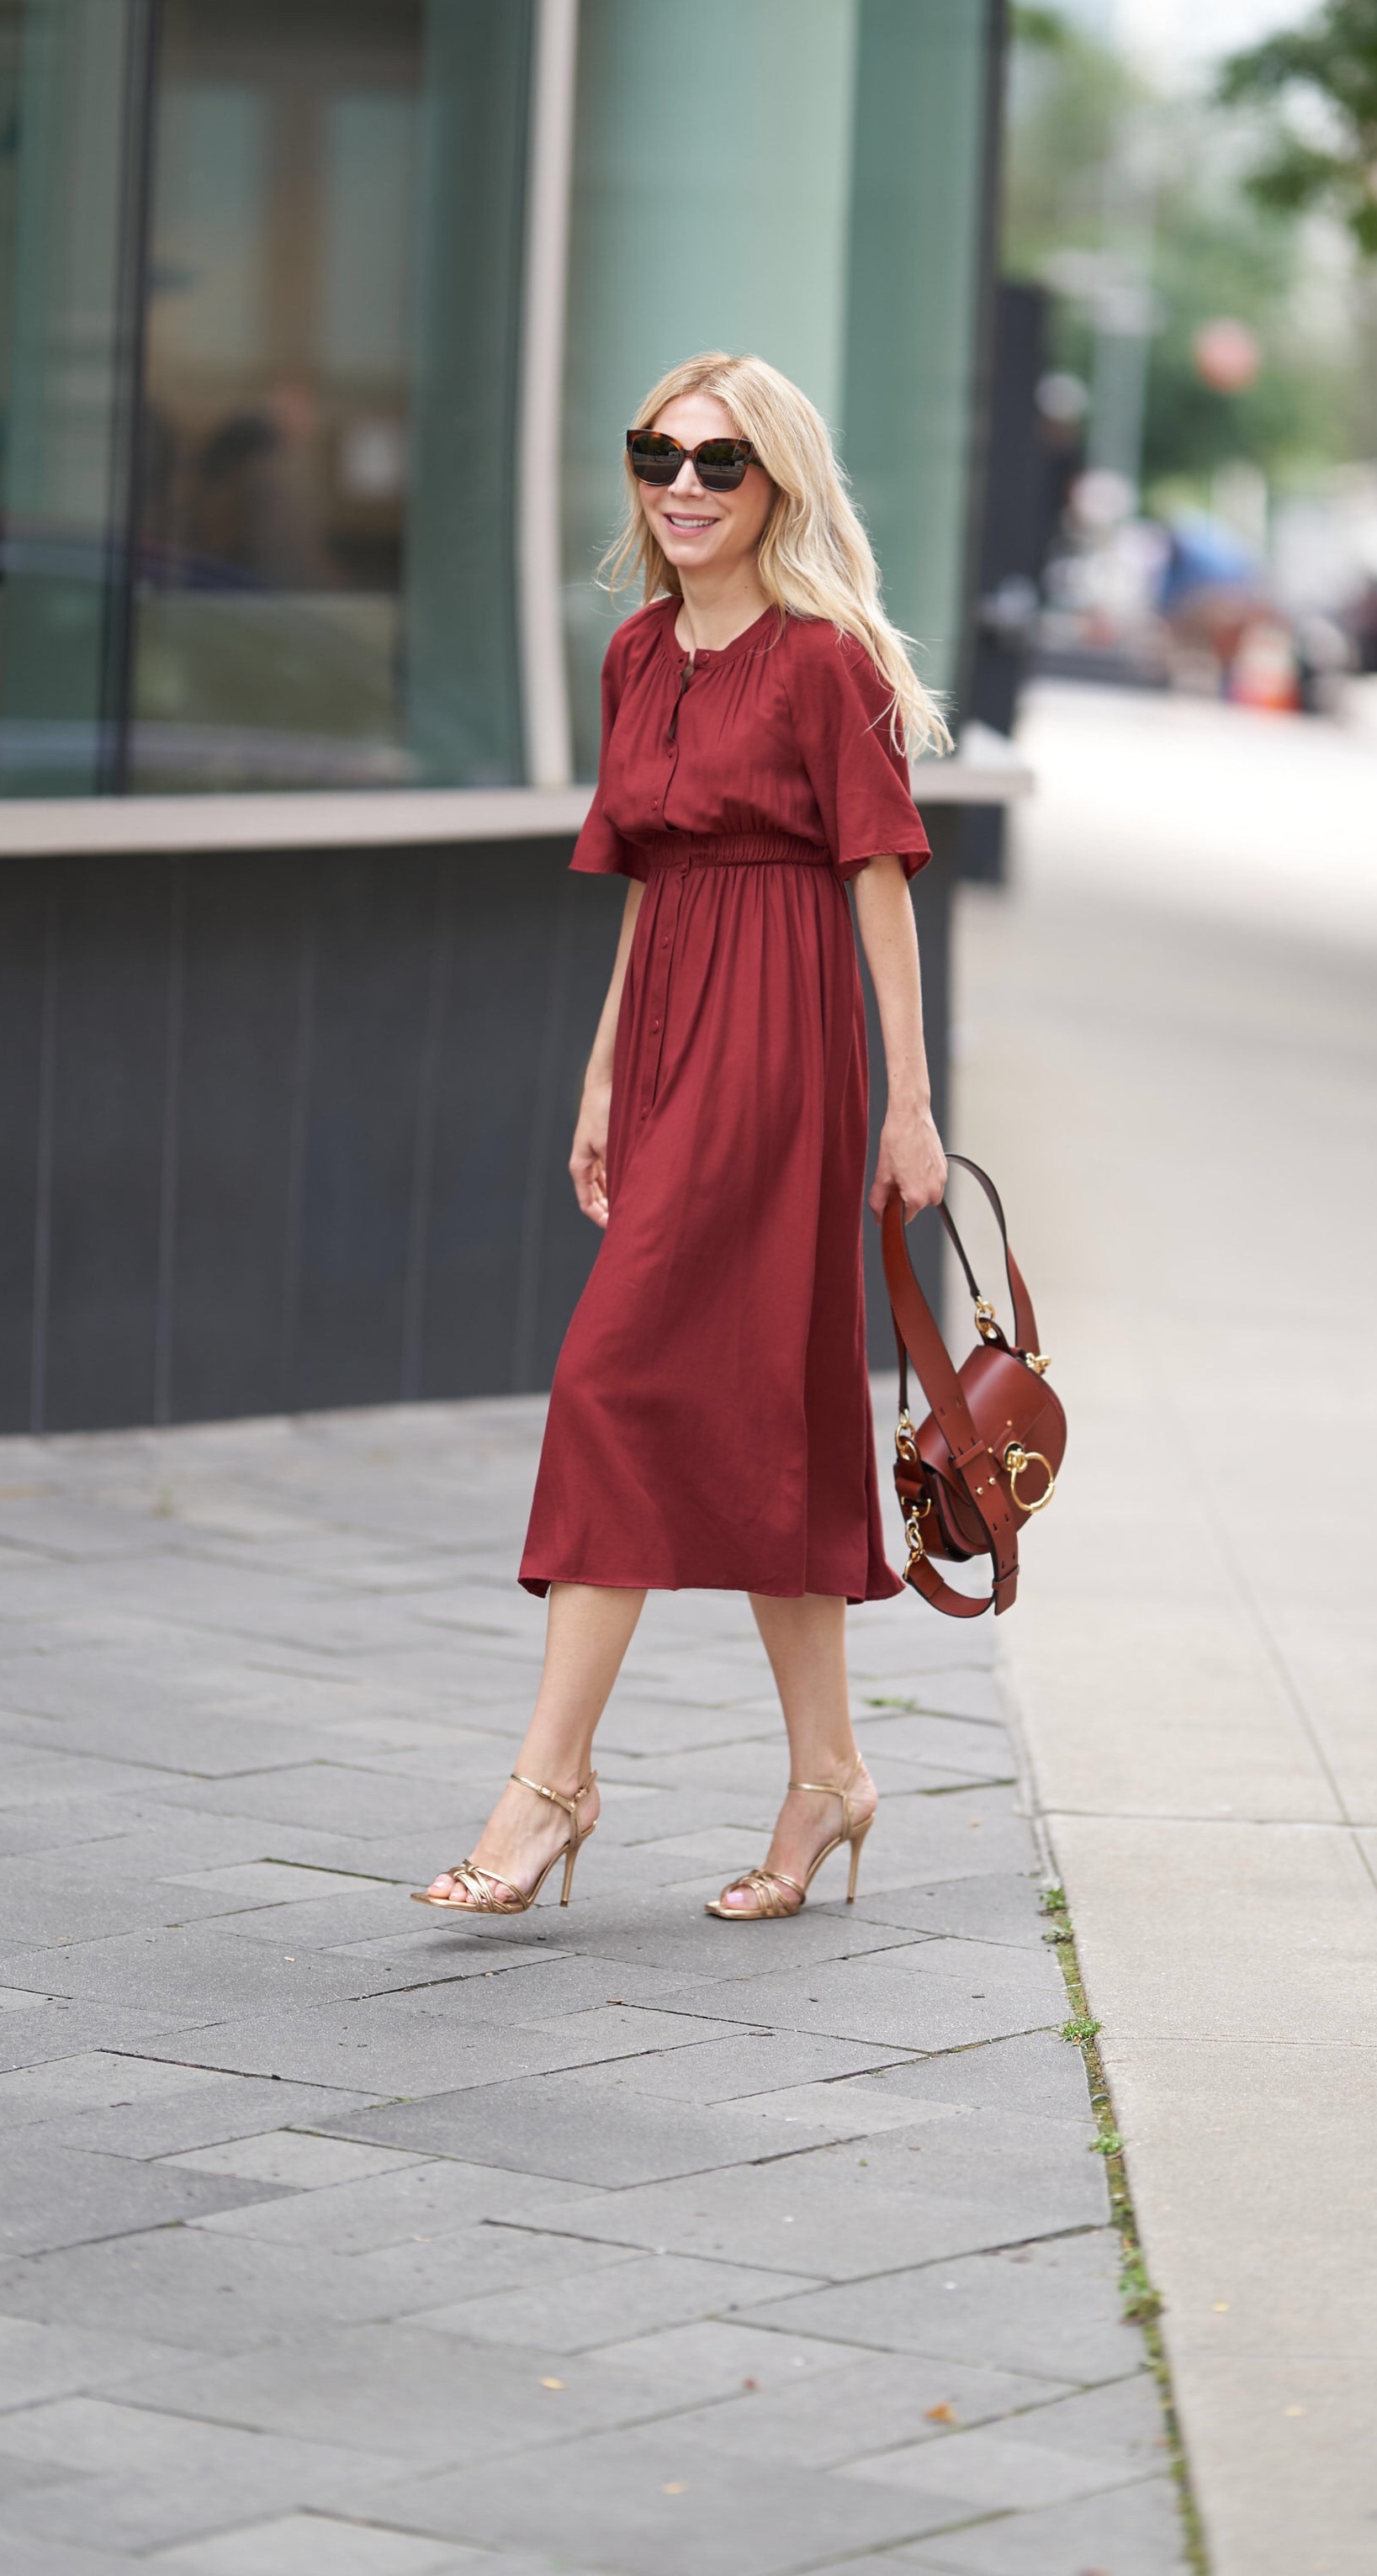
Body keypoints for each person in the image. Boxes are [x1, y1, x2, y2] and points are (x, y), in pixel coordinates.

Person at [420, 353, 949, 1924]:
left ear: (779, 482)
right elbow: (653, 878)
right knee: (769, 1401)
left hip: (784, 1048)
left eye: (723, 463)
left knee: (613, 1378)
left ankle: (547, 1786)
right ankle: (830, 1777)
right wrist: (600, 1078)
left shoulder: (820, 657)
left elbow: (880, 880)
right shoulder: (639, 652)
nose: (688, 487)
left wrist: (910, 1105)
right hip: (665, 1040)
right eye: (662, 455)